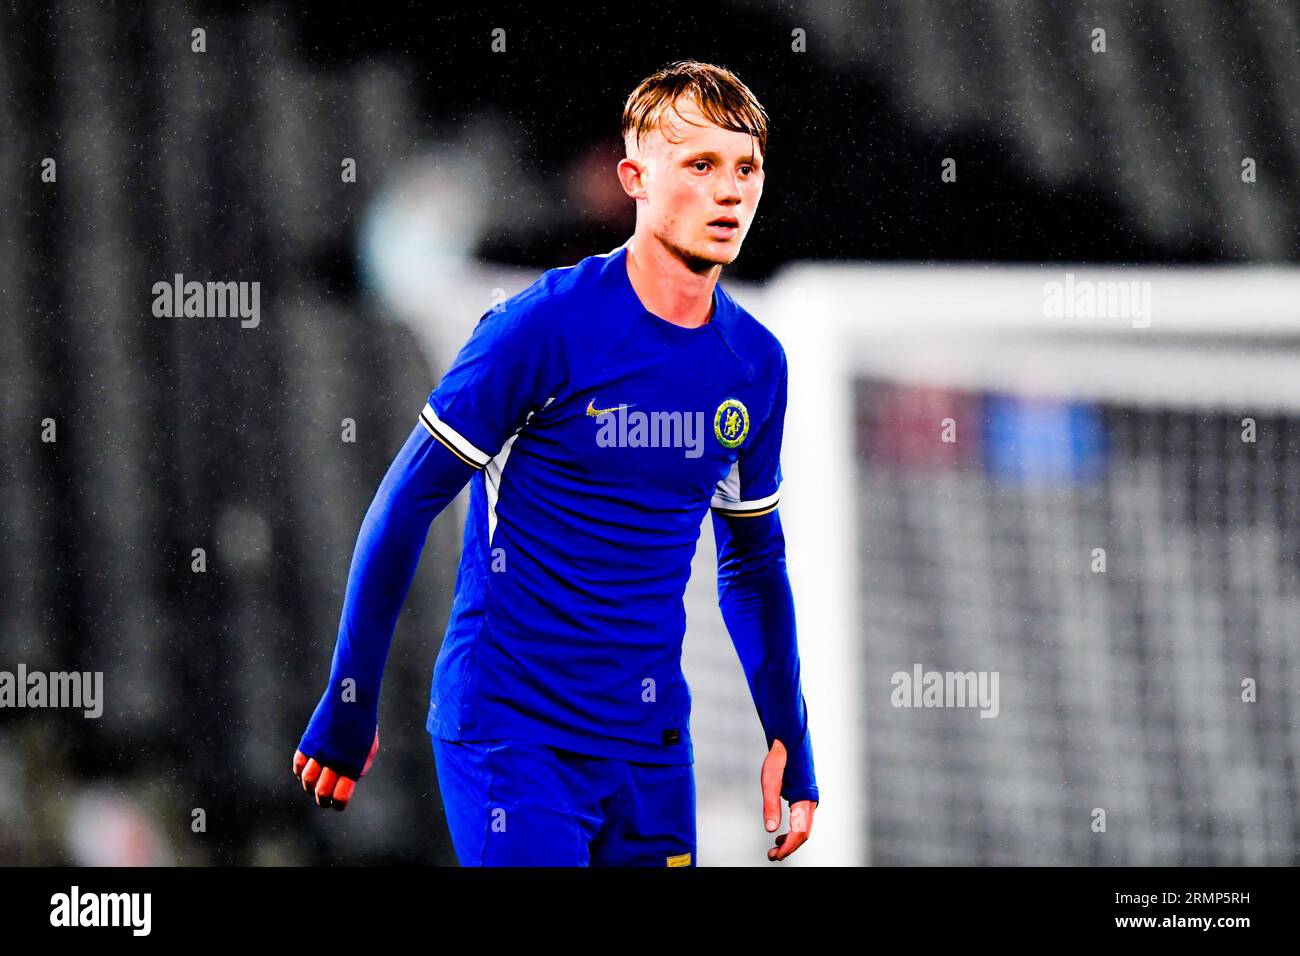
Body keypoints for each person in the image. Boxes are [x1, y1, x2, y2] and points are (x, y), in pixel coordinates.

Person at [293, 59, 818, 865]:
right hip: (513, 733)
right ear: (635, 178)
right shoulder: (540, 328)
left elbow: (752, 563)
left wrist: (790, 736)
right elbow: (405, 503)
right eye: (700, 165)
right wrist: (350, 696)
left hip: (650, 744)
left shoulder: (755, 363)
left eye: (745, 167)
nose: (729, 191)